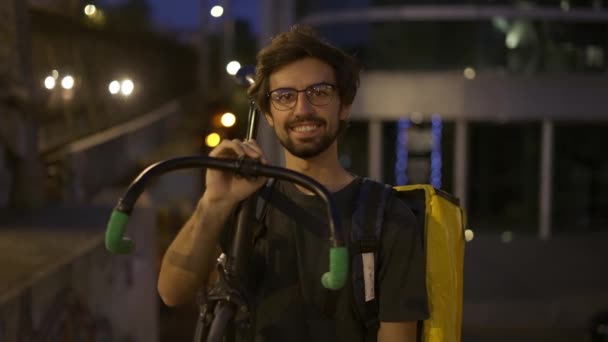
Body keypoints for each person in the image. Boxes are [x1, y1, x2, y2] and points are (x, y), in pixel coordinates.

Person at [157, 25, 429, 342]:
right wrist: (214, 202)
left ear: (344, 106)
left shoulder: (388, 217)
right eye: (285, 96)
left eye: (320, 92)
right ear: (269, 114)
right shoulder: (245, 205)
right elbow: (171, 292)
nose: (303, 109)